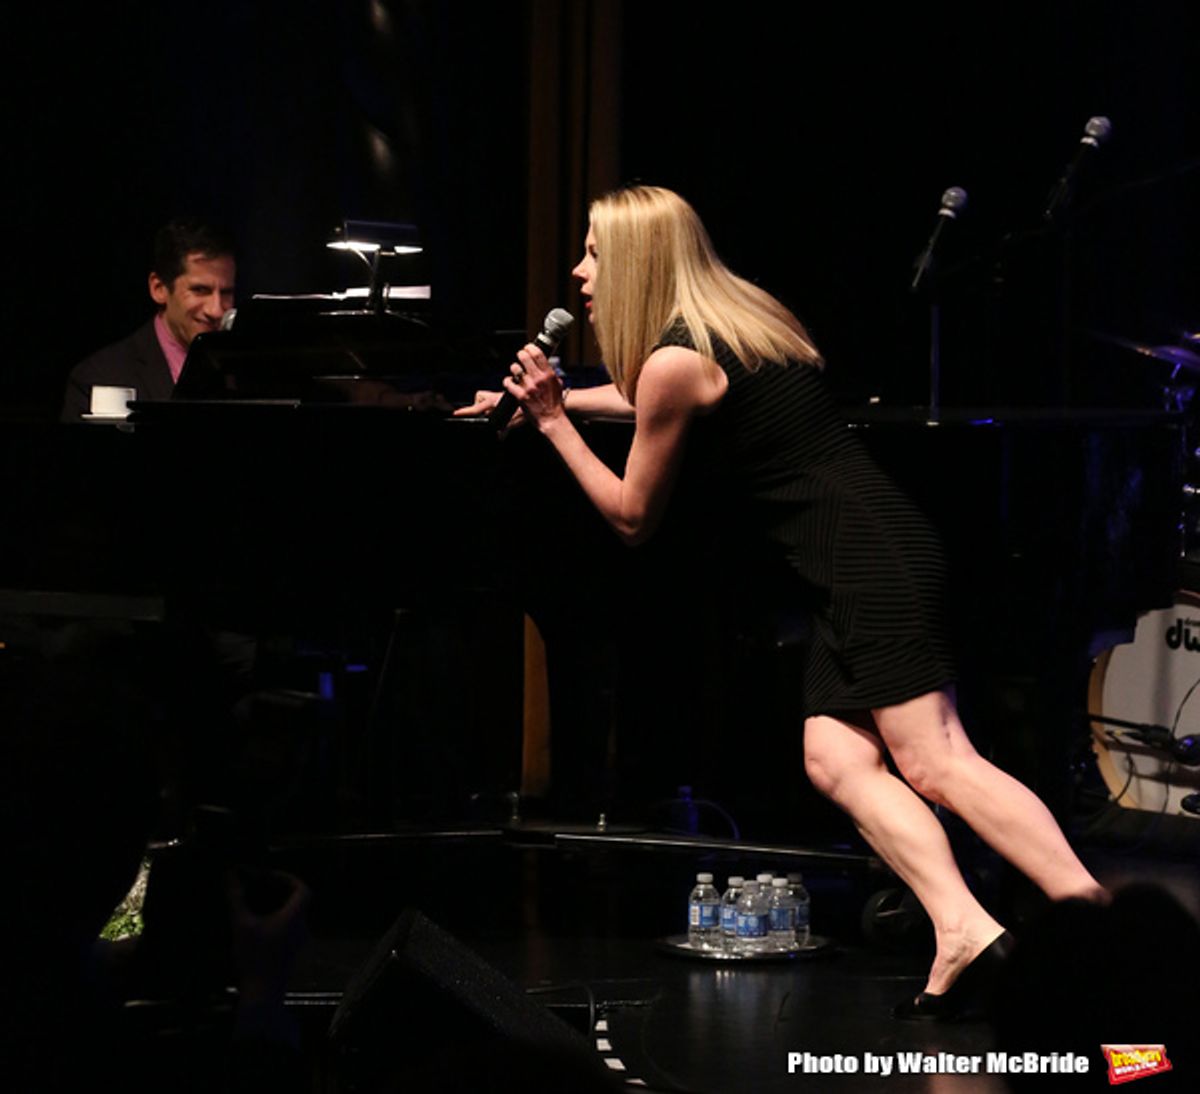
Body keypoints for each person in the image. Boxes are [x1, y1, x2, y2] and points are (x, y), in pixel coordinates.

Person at [457, 184, 1107, 1019]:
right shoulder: (737, 320)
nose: (579, 271)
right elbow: (646, 396)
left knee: (939, 760)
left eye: (593, 253)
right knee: (835, 758)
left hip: (868, 565)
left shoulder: (673, 361)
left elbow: (629, 517)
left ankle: (1099, 923)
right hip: (867, 556)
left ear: (637, 263)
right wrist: (546, 402)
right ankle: (963, 929)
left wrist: (551, 423)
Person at [61, 217, 236, 420]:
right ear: (158, 288)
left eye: (226, 292)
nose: (216, 310)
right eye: (200, 290)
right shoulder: (99, 376)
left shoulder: (245, 374)